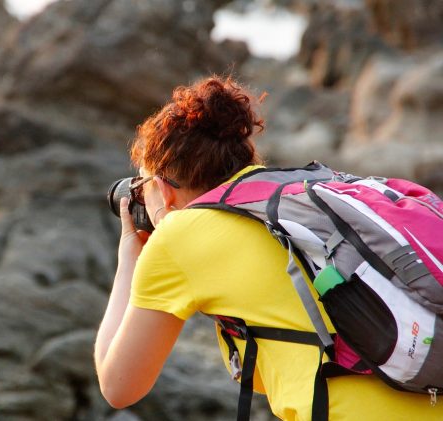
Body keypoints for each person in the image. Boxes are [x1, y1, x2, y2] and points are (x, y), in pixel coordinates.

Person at [93, 75, 443, 420]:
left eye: (141, 188)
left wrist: (130, 256)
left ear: (162, 188)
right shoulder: (302, 194)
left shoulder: (180, 235)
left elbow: (119, 385)